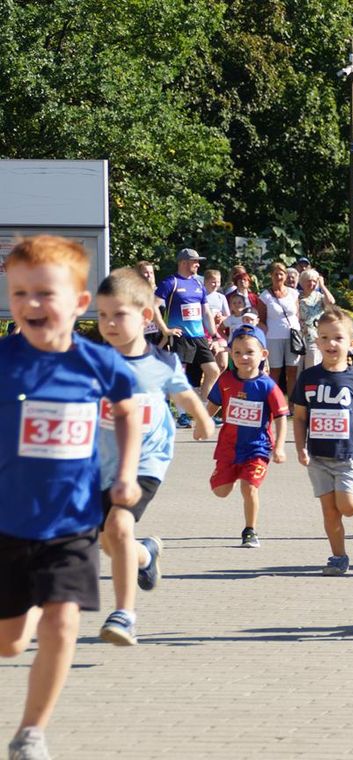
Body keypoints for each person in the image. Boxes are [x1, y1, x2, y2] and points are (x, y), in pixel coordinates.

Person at [1, 236, 141, 760]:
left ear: (80, 303)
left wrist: (125, 472)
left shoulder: (98, 364)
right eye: (19, 293)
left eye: (44, 293)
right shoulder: (2, 362)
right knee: (10, 644)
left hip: (73, 520)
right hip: (8, 520)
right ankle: (27, 612)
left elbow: (127, 409)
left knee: (65, 618)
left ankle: (31, 732)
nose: (31, 304)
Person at [94, 268, 215, 646]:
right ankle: (145, 555)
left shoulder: (161, 363)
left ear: (146, 316)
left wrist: (202, 420)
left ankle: (124, 615)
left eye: (119, 315)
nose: (109, 323)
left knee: (117, 528)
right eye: (102, 315)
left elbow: (183, 394)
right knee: (109, 542)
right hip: (100, 466)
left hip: (147, 461)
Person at [292, 308, 353, 576]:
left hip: (347, 457)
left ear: (351, 343)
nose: (330, 344)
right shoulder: (308, 377)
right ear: (317, 342)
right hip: (318, 458)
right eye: (324, 338)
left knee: (346, 506)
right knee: (329, 511)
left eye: (337, 338)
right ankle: (338, 556)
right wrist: (300, 447)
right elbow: (299, 417)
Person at [206, 325, 289, 547]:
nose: (243, 357)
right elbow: (212, 405)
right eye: (237, 352)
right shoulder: (225, 381)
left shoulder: (268, 386)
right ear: (231, 354)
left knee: (249, 486)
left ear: (263, 355)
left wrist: (279, 447)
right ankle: (229, 476)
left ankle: (250, 530)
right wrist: (202, 424)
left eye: (250, 352)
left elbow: (281, 417)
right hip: (228, 447)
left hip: (257, 448)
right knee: (221, 491)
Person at [155, 248, 222, 426]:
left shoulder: (199, 284)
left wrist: (214, 335)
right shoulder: (171, 282)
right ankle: (177, 413)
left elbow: (206, 312)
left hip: (198, 336)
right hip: (179, 336)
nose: (198, 264)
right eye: (195, 261)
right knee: (177, 375)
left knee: (213, 371)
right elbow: (153, 306)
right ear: (183, 262)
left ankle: (203, 411)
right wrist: (165, 330)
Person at [256, 262, 303, 403]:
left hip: (292, 336)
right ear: (271, 276)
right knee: (275, 371)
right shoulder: (265, 296)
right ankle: (273, 402)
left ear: (285, 275)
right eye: (275, 274)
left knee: (292, 371)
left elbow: (297, 314)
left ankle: (292, 405)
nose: (278, 276)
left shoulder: (294, 294)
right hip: (273, 337)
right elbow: (261, 320)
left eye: (281, 273)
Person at [298, 268, 336, 370]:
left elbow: (331, 302)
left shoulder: (320, 297)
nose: (312, 283)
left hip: (314, 337)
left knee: (312, 367)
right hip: (298, 338)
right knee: (297, 370)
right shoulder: (297, 296)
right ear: (302, 282)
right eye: (309, 281)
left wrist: (322, 285)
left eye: (314, 281)